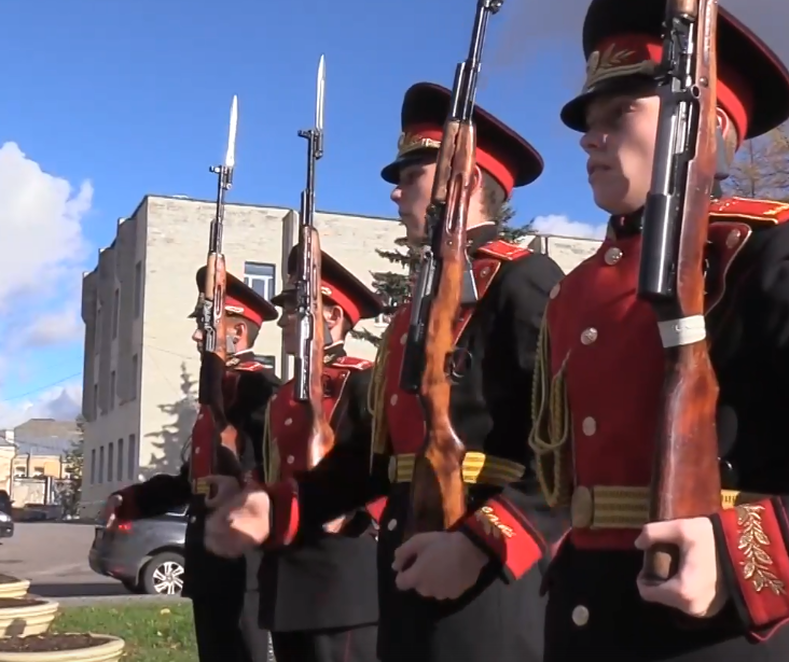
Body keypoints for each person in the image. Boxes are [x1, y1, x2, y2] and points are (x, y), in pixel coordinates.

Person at [528, 0, 789, 661]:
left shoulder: (770, 254)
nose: (589, 137)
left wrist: (754, 558)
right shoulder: (577, 290)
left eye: (618, 115)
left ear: (703, 126)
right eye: (590, 120)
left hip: (722, 639)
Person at [204, 82, 567, 662]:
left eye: (414, 174)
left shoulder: (524, 282)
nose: (396, 192)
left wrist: (483, 544)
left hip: (487, 591)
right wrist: (283, 506)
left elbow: (568, 447)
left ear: (465, 181)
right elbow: (371, 460)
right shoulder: (412, 315)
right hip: (405, 572)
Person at [106, 268, 279, 662]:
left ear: (236, 334)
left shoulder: (258, 388)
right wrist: (133, 499)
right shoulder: (215, 395)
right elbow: (192, 480)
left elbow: (276, 468)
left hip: (244, 556)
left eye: (207, 327)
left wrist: (245, 485)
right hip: (208, 556)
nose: (197, 336)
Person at [257, 247, 385, 662]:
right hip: (288, 570)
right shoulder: (282, 396)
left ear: (330, 316)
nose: (285, 320)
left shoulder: (364, 382)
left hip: (341, 573)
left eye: (296, 308)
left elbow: (387, 456)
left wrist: (358, 516)